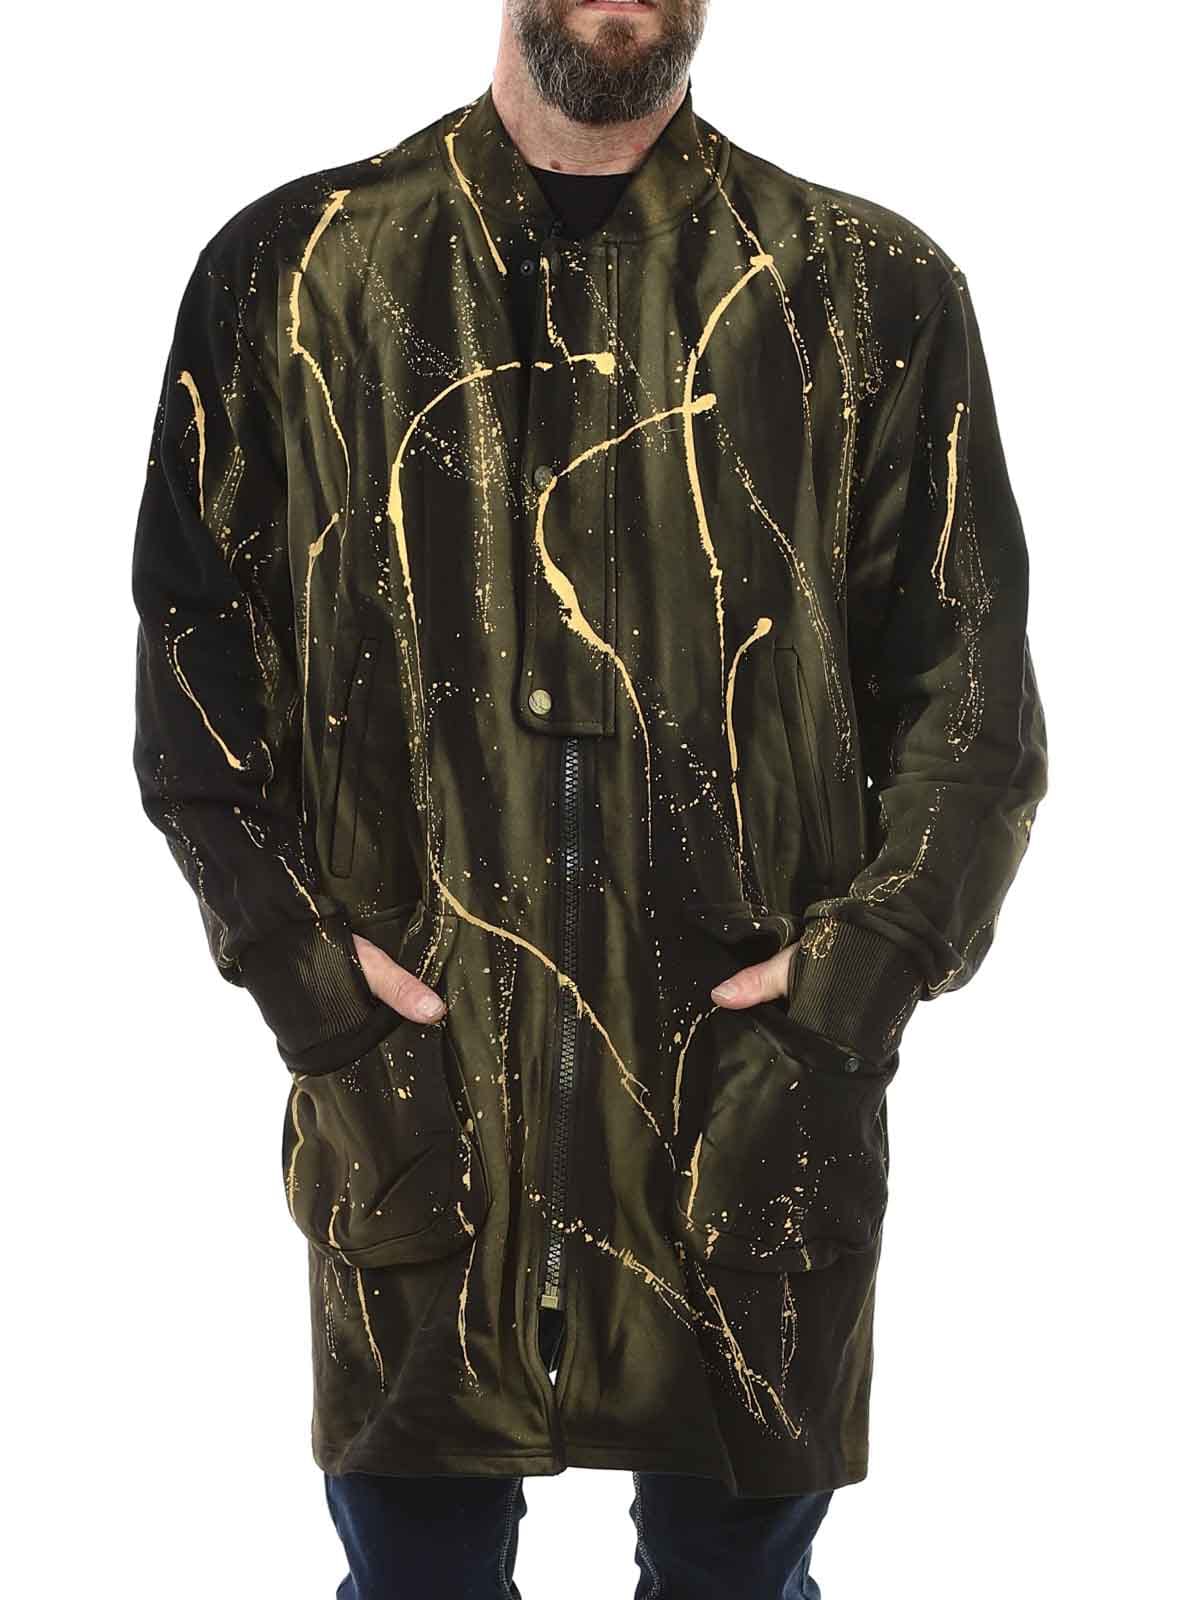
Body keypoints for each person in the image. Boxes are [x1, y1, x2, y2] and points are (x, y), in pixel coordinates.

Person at [129, 0, 1049, 1594]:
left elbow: (970, 706)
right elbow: (199, 671)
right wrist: (311, 980)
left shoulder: (867, 290)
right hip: (416, 1105)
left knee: (735, 1584)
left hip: (750, 1113)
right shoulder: (296, 271)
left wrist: (852, 987)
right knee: (415, 1580)